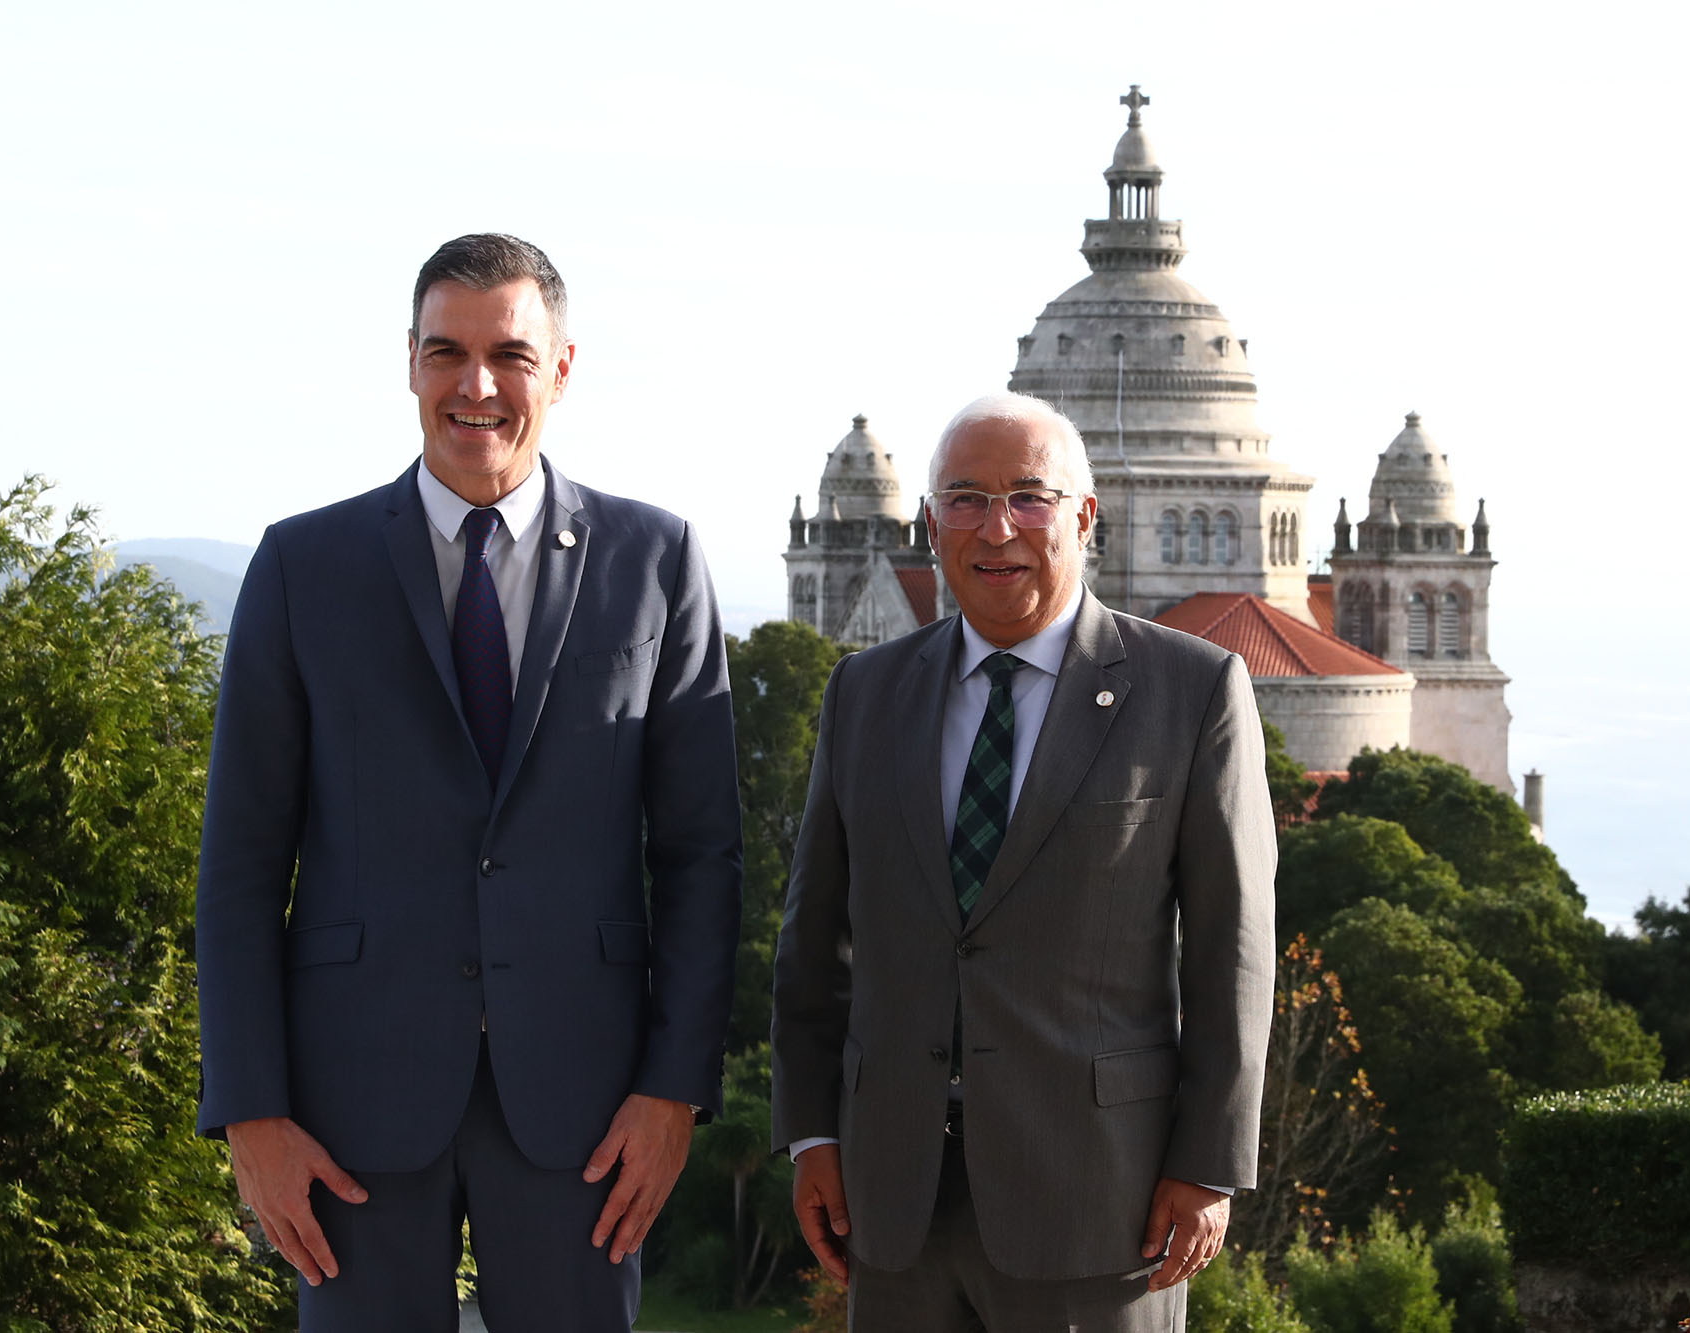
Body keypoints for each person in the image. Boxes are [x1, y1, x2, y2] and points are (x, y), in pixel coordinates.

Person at [194, 233, 742, 1331]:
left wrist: (674, 1090)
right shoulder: (303, 566)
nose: (476, 385)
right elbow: (242, 860)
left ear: (564, 367)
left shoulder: (657, 559)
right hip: (348, 1103)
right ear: (408, 362)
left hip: (586, 1106)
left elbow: (699, 856)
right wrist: (249, 1108)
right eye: (446, 351)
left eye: (510, 355)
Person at [770, 392, 1275, 1331]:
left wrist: (1208, 1163)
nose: (995, 527)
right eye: (964, 498)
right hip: (894, 1202)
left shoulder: (1191, 687)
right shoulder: (864, 692)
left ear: (1085, 518)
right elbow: (814, 944)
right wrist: (809, 1133)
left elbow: (1231, 951)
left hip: (1105, 1201)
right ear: (930, 526)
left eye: (1028, 497)